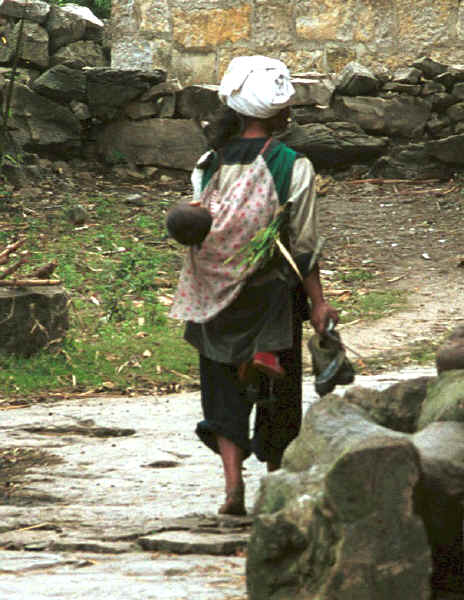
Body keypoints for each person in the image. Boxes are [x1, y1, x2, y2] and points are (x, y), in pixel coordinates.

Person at [169, 55, 338, 515]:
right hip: (271, 296)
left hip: (212, 296)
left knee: (220, 390)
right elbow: (304, 243)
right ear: (280, 113)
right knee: (282, 401)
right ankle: (277, 492)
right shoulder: (292, 165)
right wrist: (319, 303)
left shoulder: (208, 163)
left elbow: (195, 220)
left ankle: (231, 489)